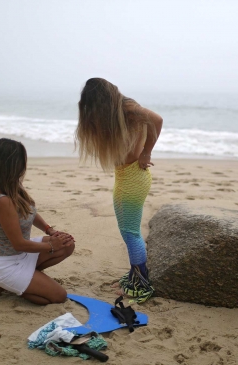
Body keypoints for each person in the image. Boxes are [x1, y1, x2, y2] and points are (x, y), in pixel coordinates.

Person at [75, 78, 163, 303]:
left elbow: (157, 119)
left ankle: (141, 285)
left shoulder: (127, 107)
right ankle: (136, 276)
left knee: (130, 233)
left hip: (132, 178)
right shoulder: (119, 110)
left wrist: (147, 153)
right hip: (128, 177)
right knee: (129, 232)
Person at [0, 138, 75, 304]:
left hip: (21, 254)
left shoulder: (13, 186)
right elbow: (19, 244)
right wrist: (52, 245)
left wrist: (49, 230)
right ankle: (4, 284)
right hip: (5, 263)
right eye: (20, 162)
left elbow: (29, 213)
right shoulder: (2, 200)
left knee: (68, 244)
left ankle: (20, 281)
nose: (23, 167)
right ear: (9, 165)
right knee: (58, 296)